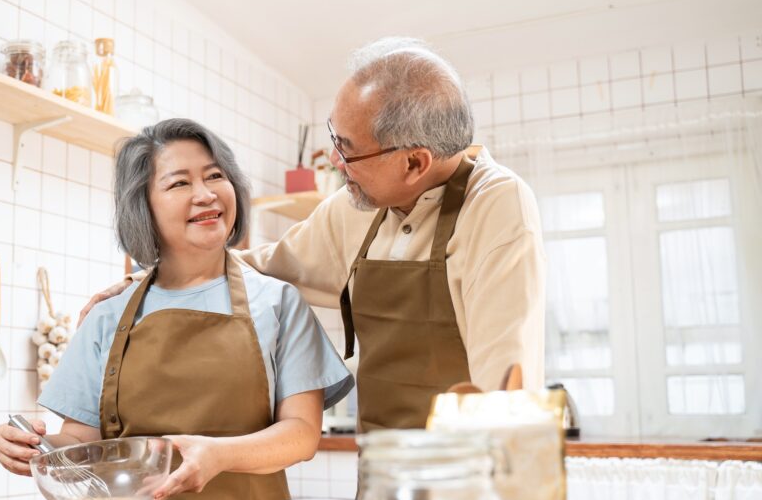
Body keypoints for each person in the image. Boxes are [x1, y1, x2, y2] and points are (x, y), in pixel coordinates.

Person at [82, 37, 546, 434]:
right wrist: (144, 280)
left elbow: (505, 387)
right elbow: (261, 264)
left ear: (414, 163)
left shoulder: (496, 206)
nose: (336, 162)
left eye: (347, 149)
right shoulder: (356, 207)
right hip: (383, 468)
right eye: (334, 136)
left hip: (470, 478)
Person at [0, 118, 353, 500]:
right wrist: (32, 447)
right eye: (179, 183)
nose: (205, 194)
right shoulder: (107, 316)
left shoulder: (279, 302)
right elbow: (80, 440)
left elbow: (301, 435)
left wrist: (220, 455)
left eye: (215, 176)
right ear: (142, 206)